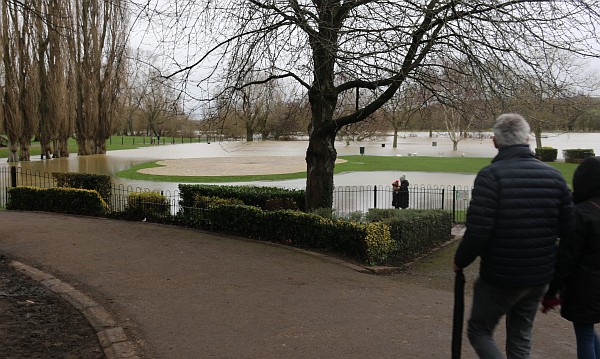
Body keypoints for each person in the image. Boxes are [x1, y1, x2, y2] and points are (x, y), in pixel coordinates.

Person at [453, 113, 574, 359]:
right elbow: (569, 232)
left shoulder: (491, 176)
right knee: (520, 336)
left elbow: (479, 231)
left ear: (494, 141)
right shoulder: (554, 177)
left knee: (479, 331)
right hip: (538, 276)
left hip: (500, 275)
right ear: (527, 138)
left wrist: (460, 261)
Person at [542, 156, 600, 359]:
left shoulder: (581, 214)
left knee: (584, 333)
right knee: (587, 330)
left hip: (585, 287)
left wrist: (551, 291)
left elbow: (566, 258)